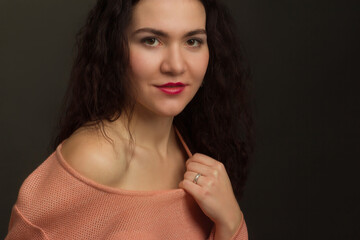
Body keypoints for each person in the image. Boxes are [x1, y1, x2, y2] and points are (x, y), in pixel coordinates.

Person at [6, 0, 253, 239]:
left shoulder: (192, 150)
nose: (176, 66)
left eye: (192, 41)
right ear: (115, 47)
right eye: (152, 40)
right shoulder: (96, 157)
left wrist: (230, 223)